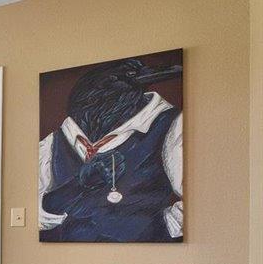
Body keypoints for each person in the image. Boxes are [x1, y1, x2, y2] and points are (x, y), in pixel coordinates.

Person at [38, 58, 182, 243]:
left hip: (144, 256)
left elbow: (199, 202)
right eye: (130, 76)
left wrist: (157, 229)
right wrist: (78, 185)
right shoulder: (54, 143)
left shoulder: (169, 125)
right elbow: (37, 218)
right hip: (65, 257)